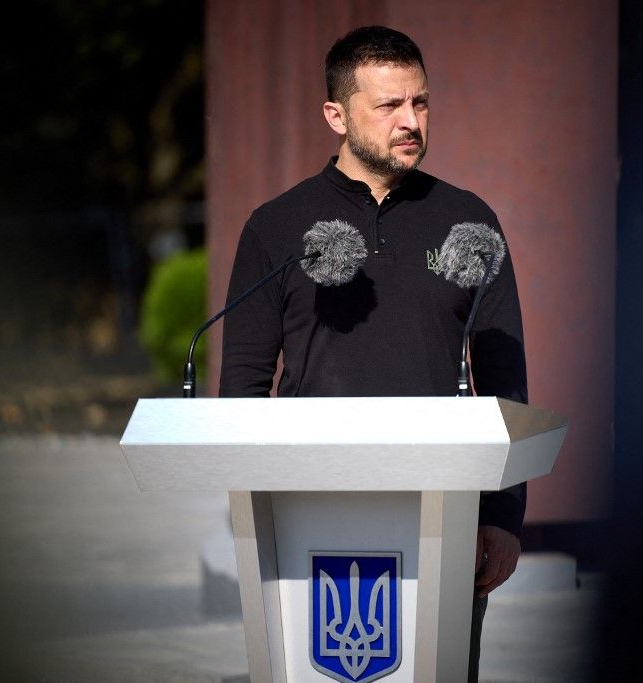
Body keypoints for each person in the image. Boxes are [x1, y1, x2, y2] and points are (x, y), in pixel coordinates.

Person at [219, 25, 527, 680]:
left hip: (444, 518)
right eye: (389, 106)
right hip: (305, 517)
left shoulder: (469, 220)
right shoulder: (276, 227)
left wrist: (503, 516)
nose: (410, 121)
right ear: (336, 113)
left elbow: (503, 386)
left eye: (420, 103)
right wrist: (251, 519)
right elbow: (242, 387)